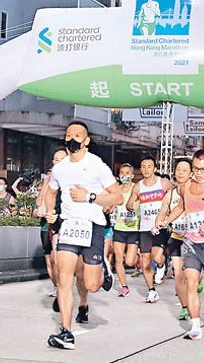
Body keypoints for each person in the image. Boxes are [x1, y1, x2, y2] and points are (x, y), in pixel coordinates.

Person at [45, 121, 122, 350]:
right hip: (69, 226)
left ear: (86, 140)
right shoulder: (61, 167)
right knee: (64, 278)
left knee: (92, 284)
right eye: (68, 134)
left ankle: (103, 269)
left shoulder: (96, 165)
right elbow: (50, 192)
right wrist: (51, 211)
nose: (72, 139)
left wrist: (90, 197)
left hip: (93, 226)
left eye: (77, 135)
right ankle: (66, 332)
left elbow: (117, 197)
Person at [160, 150, 204, 340]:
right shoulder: (185, 186)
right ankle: (195, 325)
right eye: (196, 168)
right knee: (190, 280)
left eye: (203, 169)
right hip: (191, 241)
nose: (199, 173)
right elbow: (181, 206)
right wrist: (167, 220)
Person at [126, 155, 173, 302]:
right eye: (144, 167)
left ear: (155, 168)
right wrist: (131, 206)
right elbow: (129, 204)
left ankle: (161, 264)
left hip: (160, 225)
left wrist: (169, 218)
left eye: (149, 166)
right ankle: (151, 290)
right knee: (145, 260)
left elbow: (175, 199)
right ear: (141, 169)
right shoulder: (138, 187)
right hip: (144, 228)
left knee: (156, 256)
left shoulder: (164, 183)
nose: (146, 169)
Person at [154, 158, 192, 318]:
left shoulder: (197, 191)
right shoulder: (170, 195)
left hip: (195, 239)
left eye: (184, 170)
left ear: (191, 173)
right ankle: (185, 308)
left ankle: (200, 279)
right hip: (176, 237)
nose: (180, 173)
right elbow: (163, 212)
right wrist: (159, 222)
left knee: (191, 275)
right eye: (178, 170)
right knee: (179, 273)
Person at [36, 148, 68, 297]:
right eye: (56, 159)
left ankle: (63, 285)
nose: (58, 162)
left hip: (64, 223)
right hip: (46, 224)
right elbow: (40, 200)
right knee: (50, 259)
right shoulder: (48, 180)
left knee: (57, 257)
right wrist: (41, 208)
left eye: (62, 159)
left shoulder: (71, 179)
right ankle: (56, 286)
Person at [111, 163, 140, 298]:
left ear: (132, 175)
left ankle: (137, 257)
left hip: (134, 229)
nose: (124, 175)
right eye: (122, 172)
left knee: (129, 262)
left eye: (127, 173)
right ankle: (124, 286)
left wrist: (137, 205)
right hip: (119, 228)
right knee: (118, 260)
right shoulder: (116, 189)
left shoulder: (136, 189)